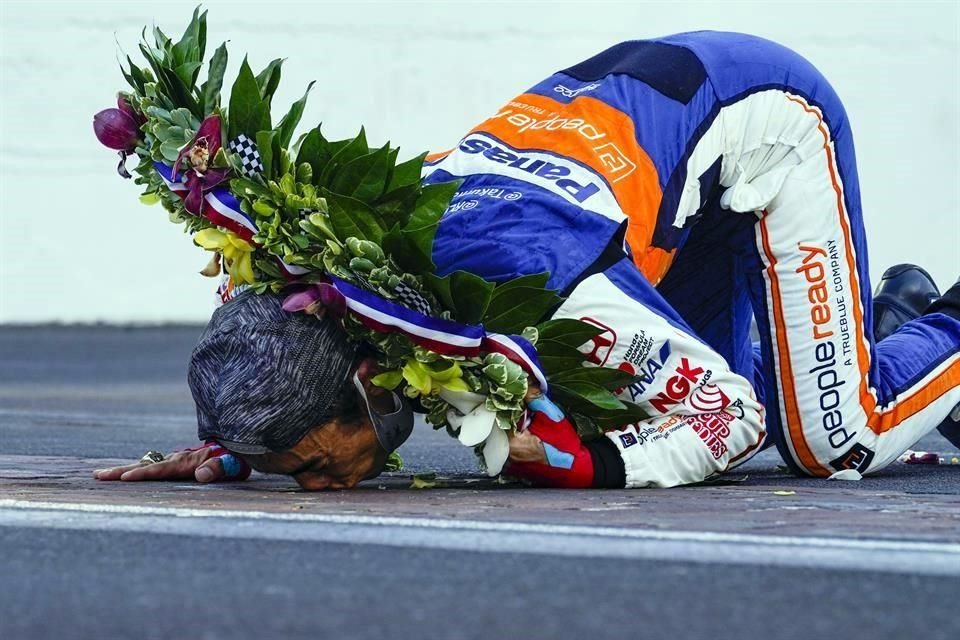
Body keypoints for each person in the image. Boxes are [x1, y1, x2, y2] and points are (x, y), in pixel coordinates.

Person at [96, 31, 960, 490]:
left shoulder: (540, 294)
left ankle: (931, 331)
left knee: (835, 439)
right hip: (639, 128)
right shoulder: (348, 291)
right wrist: (243, 442)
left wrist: (588, 468)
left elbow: (730, 420)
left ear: (371, 373)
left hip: (766, 123)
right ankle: (877, 327)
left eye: (316, 466)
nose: (321, 488)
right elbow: (288, 340)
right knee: (631, 392)